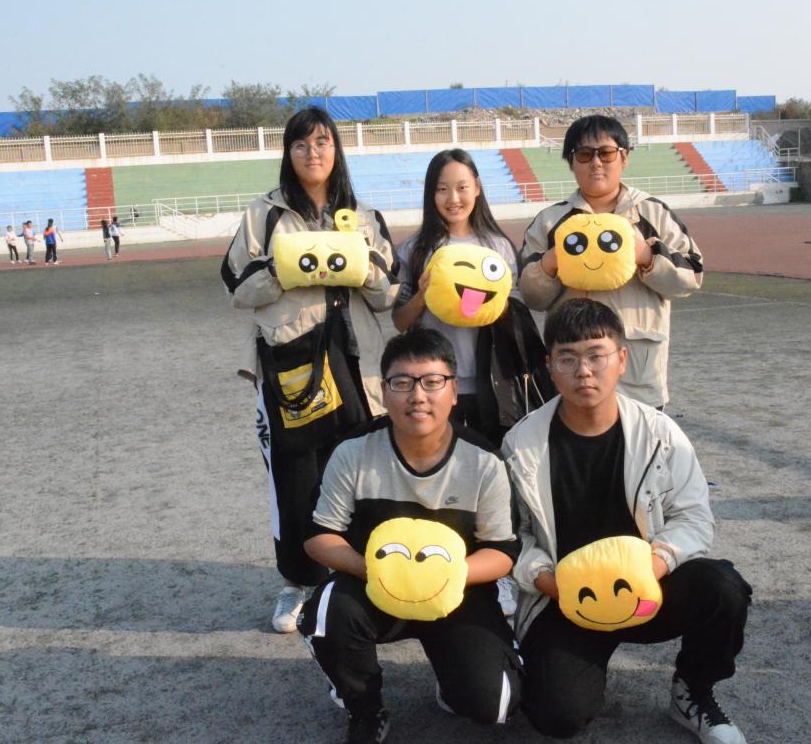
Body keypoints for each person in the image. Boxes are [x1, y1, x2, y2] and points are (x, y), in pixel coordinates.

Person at [503, 299, 751, 743]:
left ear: (621, 359)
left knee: (723, 588)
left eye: (596, 356)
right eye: (567, 358)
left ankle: (692, 691)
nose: (584, 371)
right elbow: (512, 536)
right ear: (549, 366)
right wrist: (548, 582)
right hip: (567, 600)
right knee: (557, 717)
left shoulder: (659, 433)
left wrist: (652, 567)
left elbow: (693, 517)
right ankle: (534, 663)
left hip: (647, 591)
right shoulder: (521, 444)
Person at [221, 106, 396, 634]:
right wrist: (287, 268)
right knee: (296, 478)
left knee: (363, 473)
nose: (312, 152)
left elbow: (387, 292)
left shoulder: (363, 215)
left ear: (336, 150)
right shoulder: (265, 213)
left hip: (357, 363)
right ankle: (297, 582)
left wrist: (356, 260)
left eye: (322, 142)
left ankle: (364, 579)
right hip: (291, 365)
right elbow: (236, 285)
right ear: (287, 153)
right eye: (300, 143)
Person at [301, 327, 521, 743]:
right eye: (402, 383)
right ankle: (365, 707)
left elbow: (502, 550)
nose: (418, 395)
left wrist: (441, 577)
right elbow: (318, 536)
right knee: (328, 614)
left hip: (456, 593)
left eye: (432, 382)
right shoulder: (353, 451)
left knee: (495, 706)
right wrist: (382, 572)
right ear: (384, 392)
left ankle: (452, 681)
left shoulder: (484, 461)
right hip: (373, 588)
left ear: (454, 391)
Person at [519, 115, 704, 410]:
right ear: (571, 162)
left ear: (624, 157)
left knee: (640, 441)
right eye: (584, 154)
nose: (596, 163)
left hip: (639, 378)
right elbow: (531, 296)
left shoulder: (653, 214)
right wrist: (551, 263)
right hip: (575, 378)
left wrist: (647, 256)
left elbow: (693, 274)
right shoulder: (550, 222)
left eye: (606, 153)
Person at [392, 148, 549, 448]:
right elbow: (400, 322)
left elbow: (514, 313)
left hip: (492, 380)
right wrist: (424, 295)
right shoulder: (413, 250)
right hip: (434, 380)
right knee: (440, 458)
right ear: (430, 193)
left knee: (490, 457)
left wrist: (486, 300)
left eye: (462, 187)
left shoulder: (498, 247)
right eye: (442, 189)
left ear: (477, 187)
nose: (453, 198)